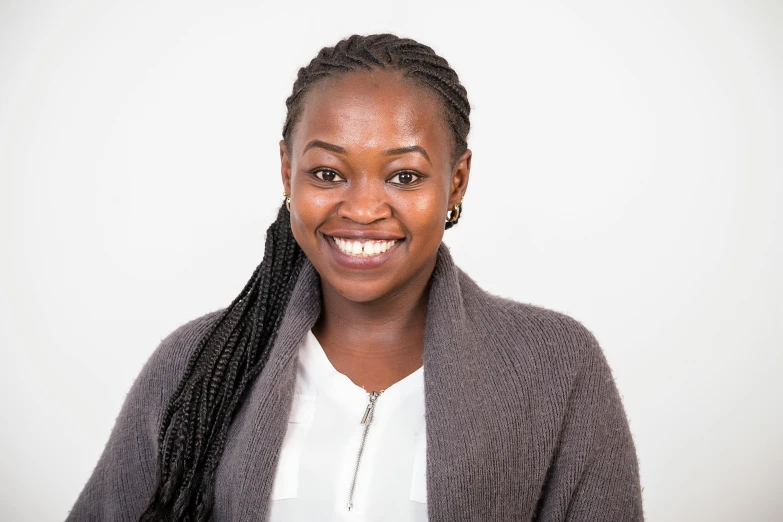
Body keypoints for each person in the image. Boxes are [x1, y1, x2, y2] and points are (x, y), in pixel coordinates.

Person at [67, 34, 644, 522]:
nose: (364, 209)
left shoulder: (556, 367)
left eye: (403, 176)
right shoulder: (196, 362)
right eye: (326, 172)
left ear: (457, 182)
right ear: (287, 173)